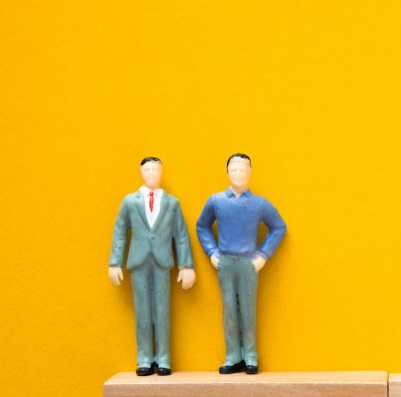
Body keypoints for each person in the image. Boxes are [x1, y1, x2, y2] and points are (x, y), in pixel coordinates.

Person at [196, 153, 286, 375]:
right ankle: (233, 355)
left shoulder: (259, 204)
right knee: (229, 309)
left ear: (250, 173)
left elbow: (279, 227)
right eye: (234, 170)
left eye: (243, 170)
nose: (238, 174)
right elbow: (202, 226)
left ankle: (250, 355)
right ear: (227, 173)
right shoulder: (216, 201)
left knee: (247, 309)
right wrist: (212, 251)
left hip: (248, 263)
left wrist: (263, 255)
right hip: (225, 261)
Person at [108, 157, 196, 376]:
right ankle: (144, 358)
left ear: (161, 172)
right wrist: (114, 262)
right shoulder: (130, 201)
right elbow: (120, 231)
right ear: (140, 172)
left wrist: (186, 265)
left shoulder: (172, 203)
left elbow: (181, 235)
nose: (151, 173)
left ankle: (164, 358)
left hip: (162, 261)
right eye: (147, 169)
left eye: (155, 169)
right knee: (142, 310)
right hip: (138, 261)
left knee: (162, 310)